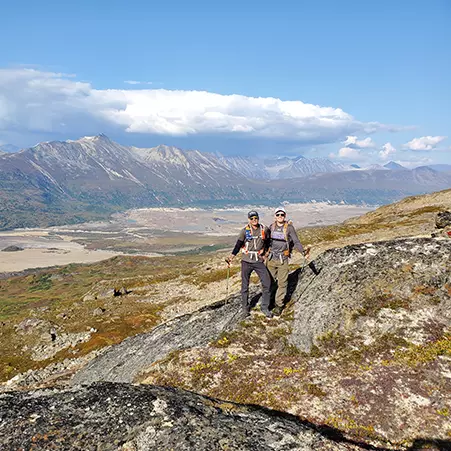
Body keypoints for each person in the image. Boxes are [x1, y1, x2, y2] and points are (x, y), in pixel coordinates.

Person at [226, 210, 272, 319]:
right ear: (249, 220)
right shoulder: (244, 231)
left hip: (258, 261)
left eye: (255, 218)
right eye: (252, 218)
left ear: (258, 218)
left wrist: (265, 253)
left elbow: (268, 242)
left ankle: (264, 307)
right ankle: (245, 309)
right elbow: (238, 244)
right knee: (244, 286)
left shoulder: (264, 229)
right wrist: (232, 256)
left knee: (267, 282)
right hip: (246, 261)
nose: (254, 220)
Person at [266, 207, 309, 316]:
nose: (280, 217)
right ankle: (270, 300)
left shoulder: (289, 228)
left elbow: (296, 242)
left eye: (282, 215)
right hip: (271, 259)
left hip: (282, 259)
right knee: (269, 282)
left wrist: (303, 252)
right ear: (275, 216)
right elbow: (265, 241)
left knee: (282, 283)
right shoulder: (271, 227)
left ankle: (279, 305)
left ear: (285, 216)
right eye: (278, 215)